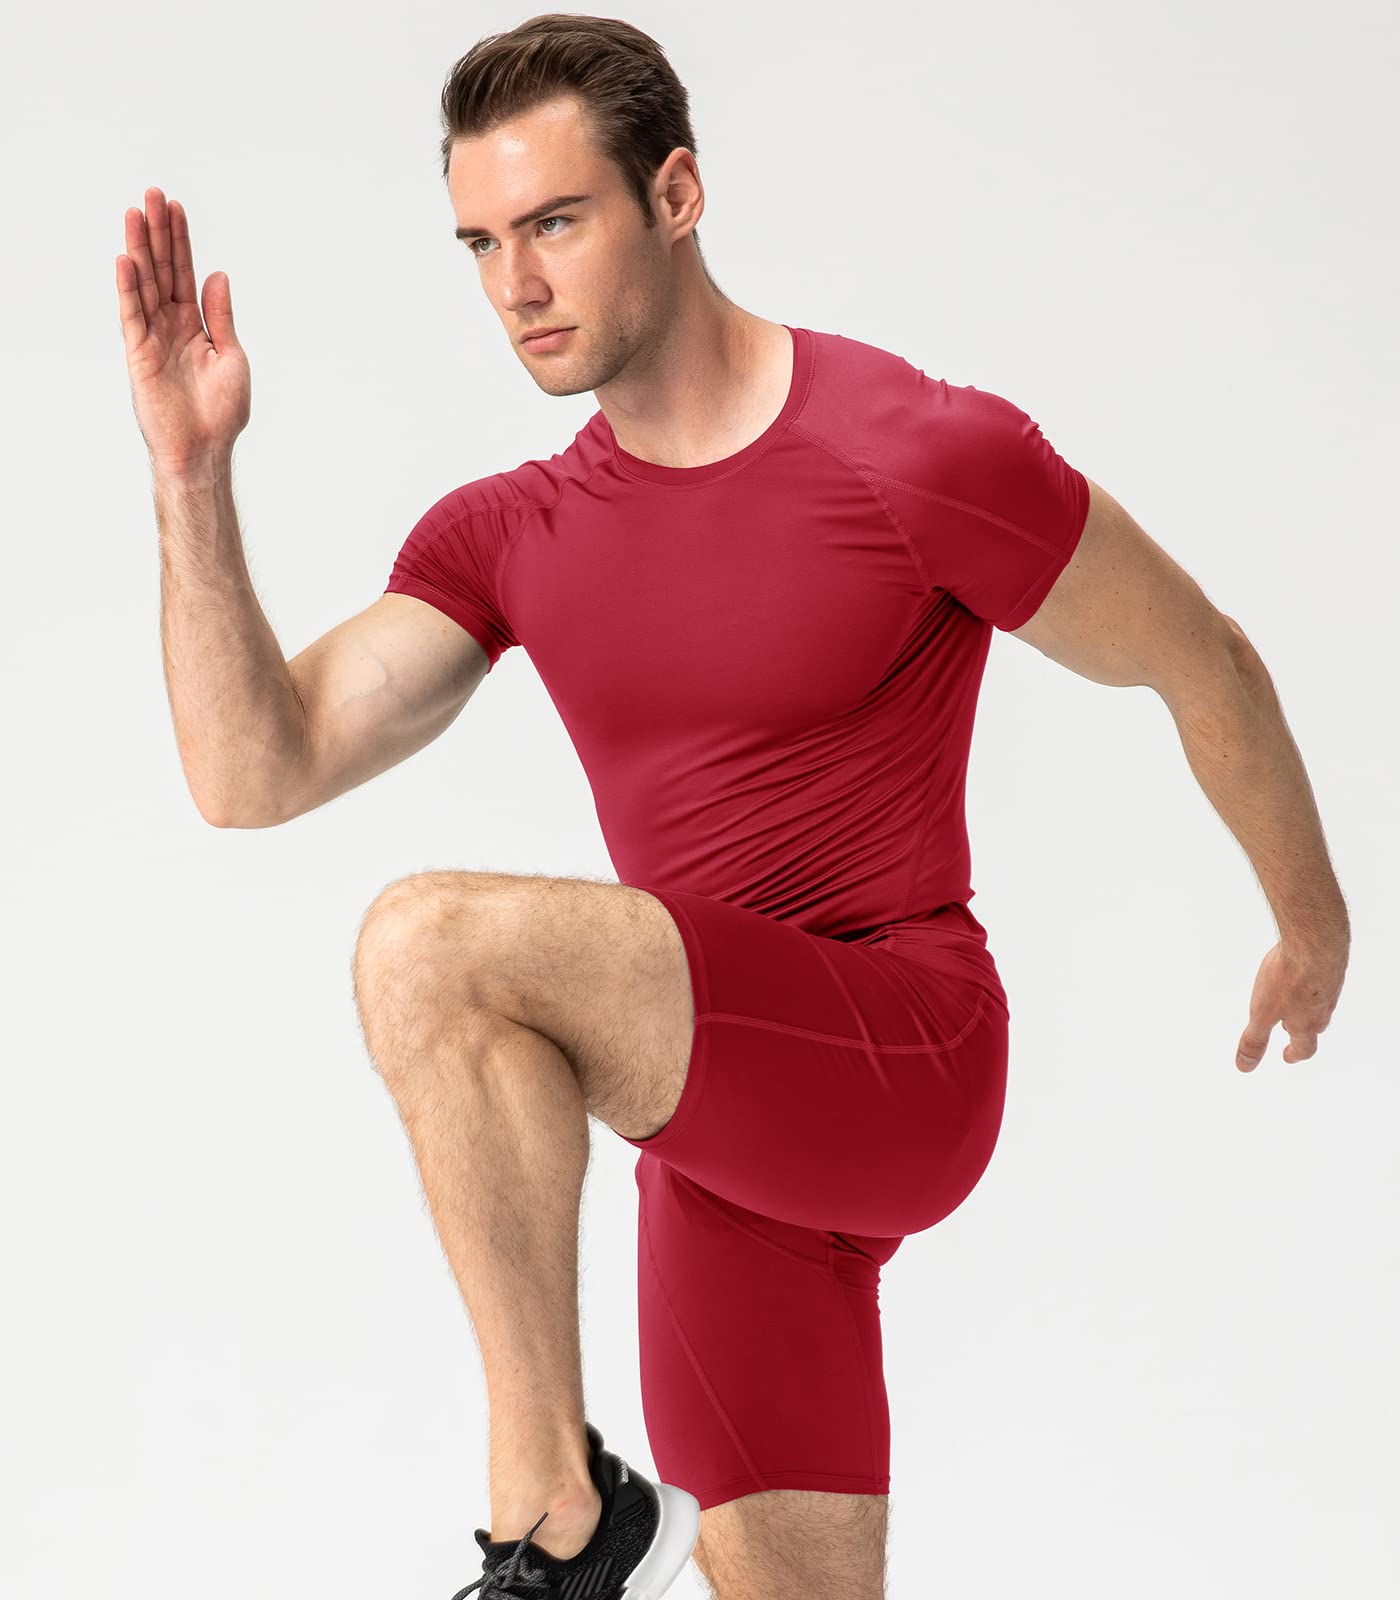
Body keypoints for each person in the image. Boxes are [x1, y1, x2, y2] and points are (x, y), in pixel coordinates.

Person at [115, 15, 1350, 1600]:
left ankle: (552, 1518)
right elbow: (251, 771)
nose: (516, 285)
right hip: (713, 1148)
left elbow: (1202, 657)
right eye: (482, 243)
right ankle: (570, 1517)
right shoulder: (513, 533)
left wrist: (1309, 924)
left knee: (428, 945)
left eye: (555, 223)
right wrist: (190, 477)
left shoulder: (914, 452)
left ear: (677, 195)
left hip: (903, 1052)